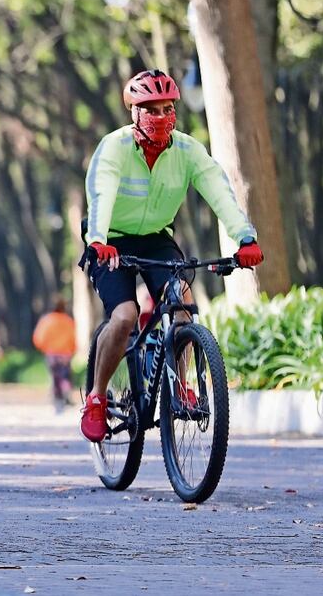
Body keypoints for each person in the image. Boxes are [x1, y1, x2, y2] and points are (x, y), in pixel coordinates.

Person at [80, 69, 264, 442]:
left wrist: (244, 238)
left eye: (167, 108)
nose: (161, 116)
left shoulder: (187, 151)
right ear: (133, 111)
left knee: (181, 300)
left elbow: (218, 191)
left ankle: (181, 386)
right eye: (151, 109)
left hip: (156, 238)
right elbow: (101, 193)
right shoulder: (113, 148)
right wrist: (98, 239)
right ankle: (97, 397)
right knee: (126, 315)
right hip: (111, 240)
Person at [32, 297, 77, 411]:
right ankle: (67, 393)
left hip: (52, 353)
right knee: (65, 376)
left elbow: (38, 338)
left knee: (55, 377)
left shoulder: (47, 320)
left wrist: (44, 348)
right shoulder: (68, 320)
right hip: (65, 354)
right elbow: (73, 338)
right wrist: (71, 351)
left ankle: (57, 400)